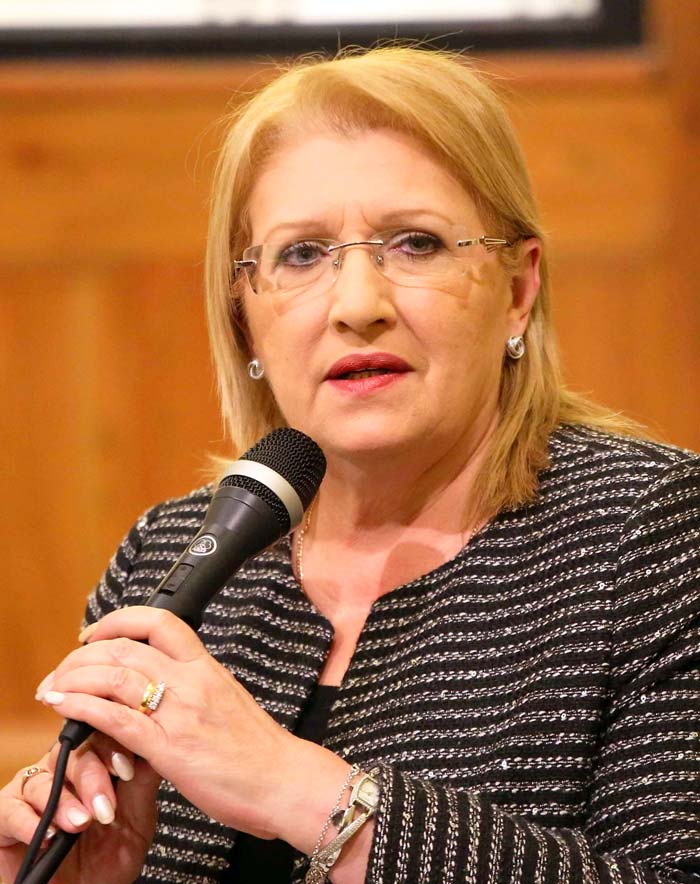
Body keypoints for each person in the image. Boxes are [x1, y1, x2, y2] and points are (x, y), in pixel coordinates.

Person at [1, 44, 699, 884]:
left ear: (518, 291)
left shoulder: (655, 534)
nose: (358, 305)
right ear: (245, 317)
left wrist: (299, 789)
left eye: (416, 244)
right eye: (302, 254)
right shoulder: (171, 555)